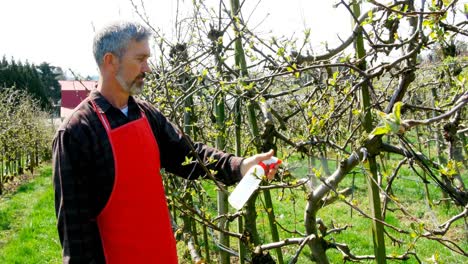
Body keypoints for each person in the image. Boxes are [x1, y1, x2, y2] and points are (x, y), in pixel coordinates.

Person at [53, 21, 277, 263]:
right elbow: (75, 236)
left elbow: (189, 156)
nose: (147, 68)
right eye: (140, 59)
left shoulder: (146, 114)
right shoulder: (78, 132)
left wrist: (240, 166)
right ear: (110, 61)